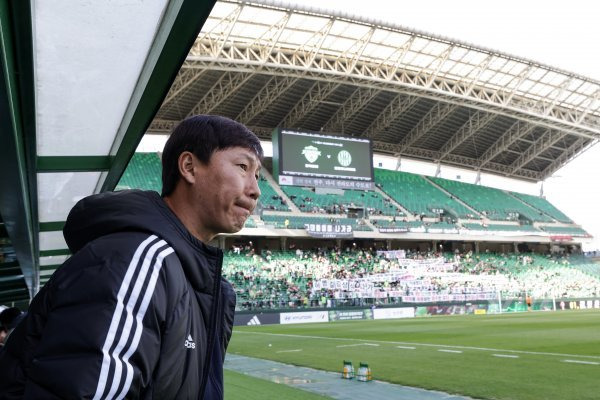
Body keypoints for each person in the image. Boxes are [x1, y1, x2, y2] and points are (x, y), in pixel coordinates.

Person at [0, 115, 263, 399]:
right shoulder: (137, 259)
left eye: (258, 175)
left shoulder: (190, 276)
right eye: (242, 167)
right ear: (189, 167)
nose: (255, 190)